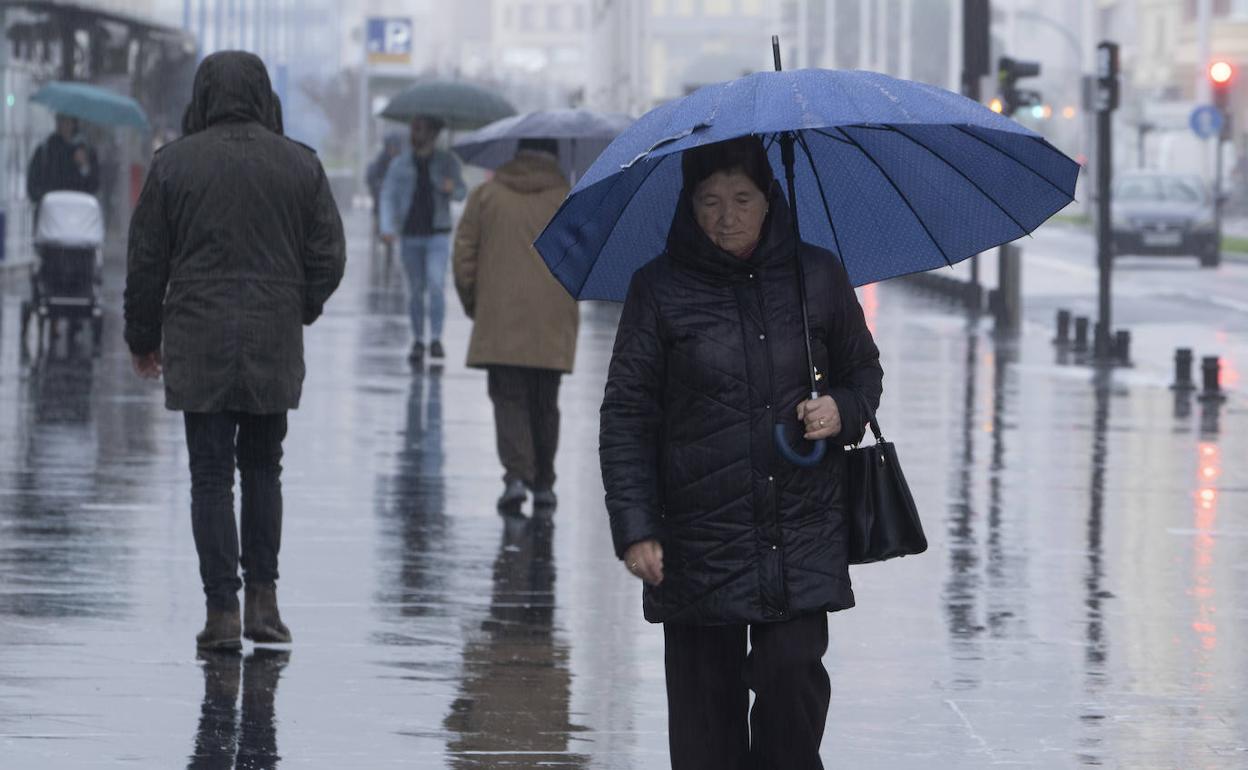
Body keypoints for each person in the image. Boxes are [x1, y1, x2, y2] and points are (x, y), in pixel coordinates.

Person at [599, 136, 883, 770]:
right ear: (689, 204)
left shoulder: (817, 276)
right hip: (698, 537)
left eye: (742, 199)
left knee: (792, 683)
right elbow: (626, 415)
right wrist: (636, 528)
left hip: (799, 528)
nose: (726, 217)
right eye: (710, 201)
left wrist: (842, 410)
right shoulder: (658, 289)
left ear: (770, 198)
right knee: (705, 728)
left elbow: (864, 371)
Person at [124, 51, 346, 651]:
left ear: (203, 96)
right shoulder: (300, 164)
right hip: (272, 340)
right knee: (263, 468)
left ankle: (221, 611)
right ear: (263, 95)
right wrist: (297, 306)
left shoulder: (174, 165)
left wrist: (143, 338)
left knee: (210, 475)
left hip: (198, 340)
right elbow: (329, 256)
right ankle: (263, 604)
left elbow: (146, 262)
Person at [452, 138, 577, 514]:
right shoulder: (569, 199)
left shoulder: (486, 196)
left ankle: (516, 477)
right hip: (553, 318)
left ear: (515, 153)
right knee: (545, 402)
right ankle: (544, 483)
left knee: (509, 400)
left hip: (500, 316)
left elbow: (464, 256)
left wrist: (476, 304)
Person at [378, 115, 468, 365]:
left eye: (421, 130)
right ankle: (418, 338)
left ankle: (436, 338)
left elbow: (462, 192)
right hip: (410, 235)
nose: (415, 134)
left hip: (438, 234)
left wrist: (452, 189)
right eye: (414, 129)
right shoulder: (400, 164)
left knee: (436, 284)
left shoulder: (447, 162)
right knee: (416, 290)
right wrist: (387, 227)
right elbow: (388, 195)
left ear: (433, 134)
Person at [26, 114, 100, 205]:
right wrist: (46, 198)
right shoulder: (45, 151)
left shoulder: (86, 151)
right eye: (62, 121)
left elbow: (93, 186)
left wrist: (84, 166)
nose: (65, 125)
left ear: (74, 123)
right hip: (52, 210)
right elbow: (33, 187)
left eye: (68, 122)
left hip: (78, 209)